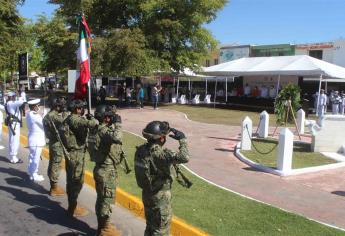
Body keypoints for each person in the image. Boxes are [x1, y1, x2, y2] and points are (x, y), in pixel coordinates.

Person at [134, 121, 190, 235]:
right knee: (161, 231)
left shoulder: (141, 150)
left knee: (150, 227)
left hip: (147, 194)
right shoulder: (160, 154)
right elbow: (184, 157)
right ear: (162, 138)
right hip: (160, 198)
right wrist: (182, 139)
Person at [89, 105, 123, 236]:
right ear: (106, 118)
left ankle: (102, 226)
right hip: (107, 170)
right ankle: (105, 229)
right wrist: (118, 124)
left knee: (101, 199)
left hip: (100, 168)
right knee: (107, 201)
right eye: (109, 116)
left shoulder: (95, 129)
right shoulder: (104, 132)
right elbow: (118, 137)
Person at [62, 99, 99, 217]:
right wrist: (92, 118)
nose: (82, 109)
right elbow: (93, 124)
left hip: (75, 153)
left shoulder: (70, 118)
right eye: (81, 108)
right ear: (77, 109)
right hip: (76, 154)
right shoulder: (74, 119)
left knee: (73, 180)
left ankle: (72, 204)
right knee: (76, 181)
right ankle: (72, 207)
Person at [43, 97, 68, 196]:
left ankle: (53, 186)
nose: (61, 107)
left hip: (52, 142)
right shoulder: (53, 116)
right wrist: (65, 112)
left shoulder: (47, 116)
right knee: (56, 164)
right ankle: (54, 188)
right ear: (56, 106)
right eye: (59, 105)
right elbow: (65, 120)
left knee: (52, 162)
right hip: (57, 143)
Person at [26, 99, 45, 182]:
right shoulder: (35, 115)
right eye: (38, 105)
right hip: (37, 140)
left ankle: (31, 173)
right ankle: (34, 174)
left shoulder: (29, 114)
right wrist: (44, 114)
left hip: (32, 139)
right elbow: (44, 125)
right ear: (34, 106)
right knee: (35, 158)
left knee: (32, 157)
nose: (39, 107)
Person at [5, 91, 25, 163]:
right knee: (15, 140)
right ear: (11, 97)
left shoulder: (8, 103)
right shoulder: (11, 103)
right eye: (14, 96)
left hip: (13, 124)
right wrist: (20, 95)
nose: (14, 97)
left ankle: (12, 156)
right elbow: (22, 102)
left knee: (12, 140)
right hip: (14, 125)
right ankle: (14, 158)